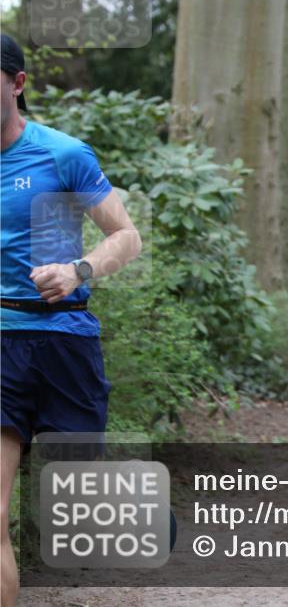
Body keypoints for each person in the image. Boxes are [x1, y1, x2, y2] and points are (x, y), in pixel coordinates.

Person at [0, 34, 142, 607]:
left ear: (17, 83)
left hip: (63, 342)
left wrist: (78, 269)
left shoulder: (62, 153)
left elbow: (126, 237)